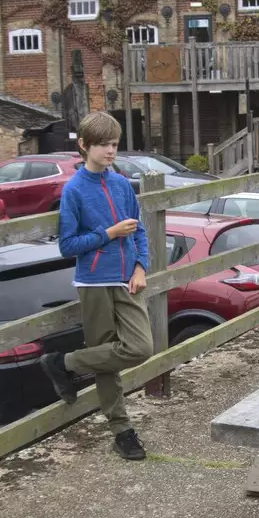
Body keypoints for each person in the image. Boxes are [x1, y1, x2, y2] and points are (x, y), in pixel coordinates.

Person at [40, 111, 153, 461]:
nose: (110, 151)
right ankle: (122, 431)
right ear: (84, 145)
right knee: (106, 360)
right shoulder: (73, 191)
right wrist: (109, 234)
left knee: (141, 347)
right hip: (92, 282)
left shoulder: (120, 184)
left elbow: (141, 229)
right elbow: (67, 246)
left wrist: (140, 266)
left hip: (126, 279)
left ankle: (62, 363)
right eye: (103, 144)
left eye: (114, 144)